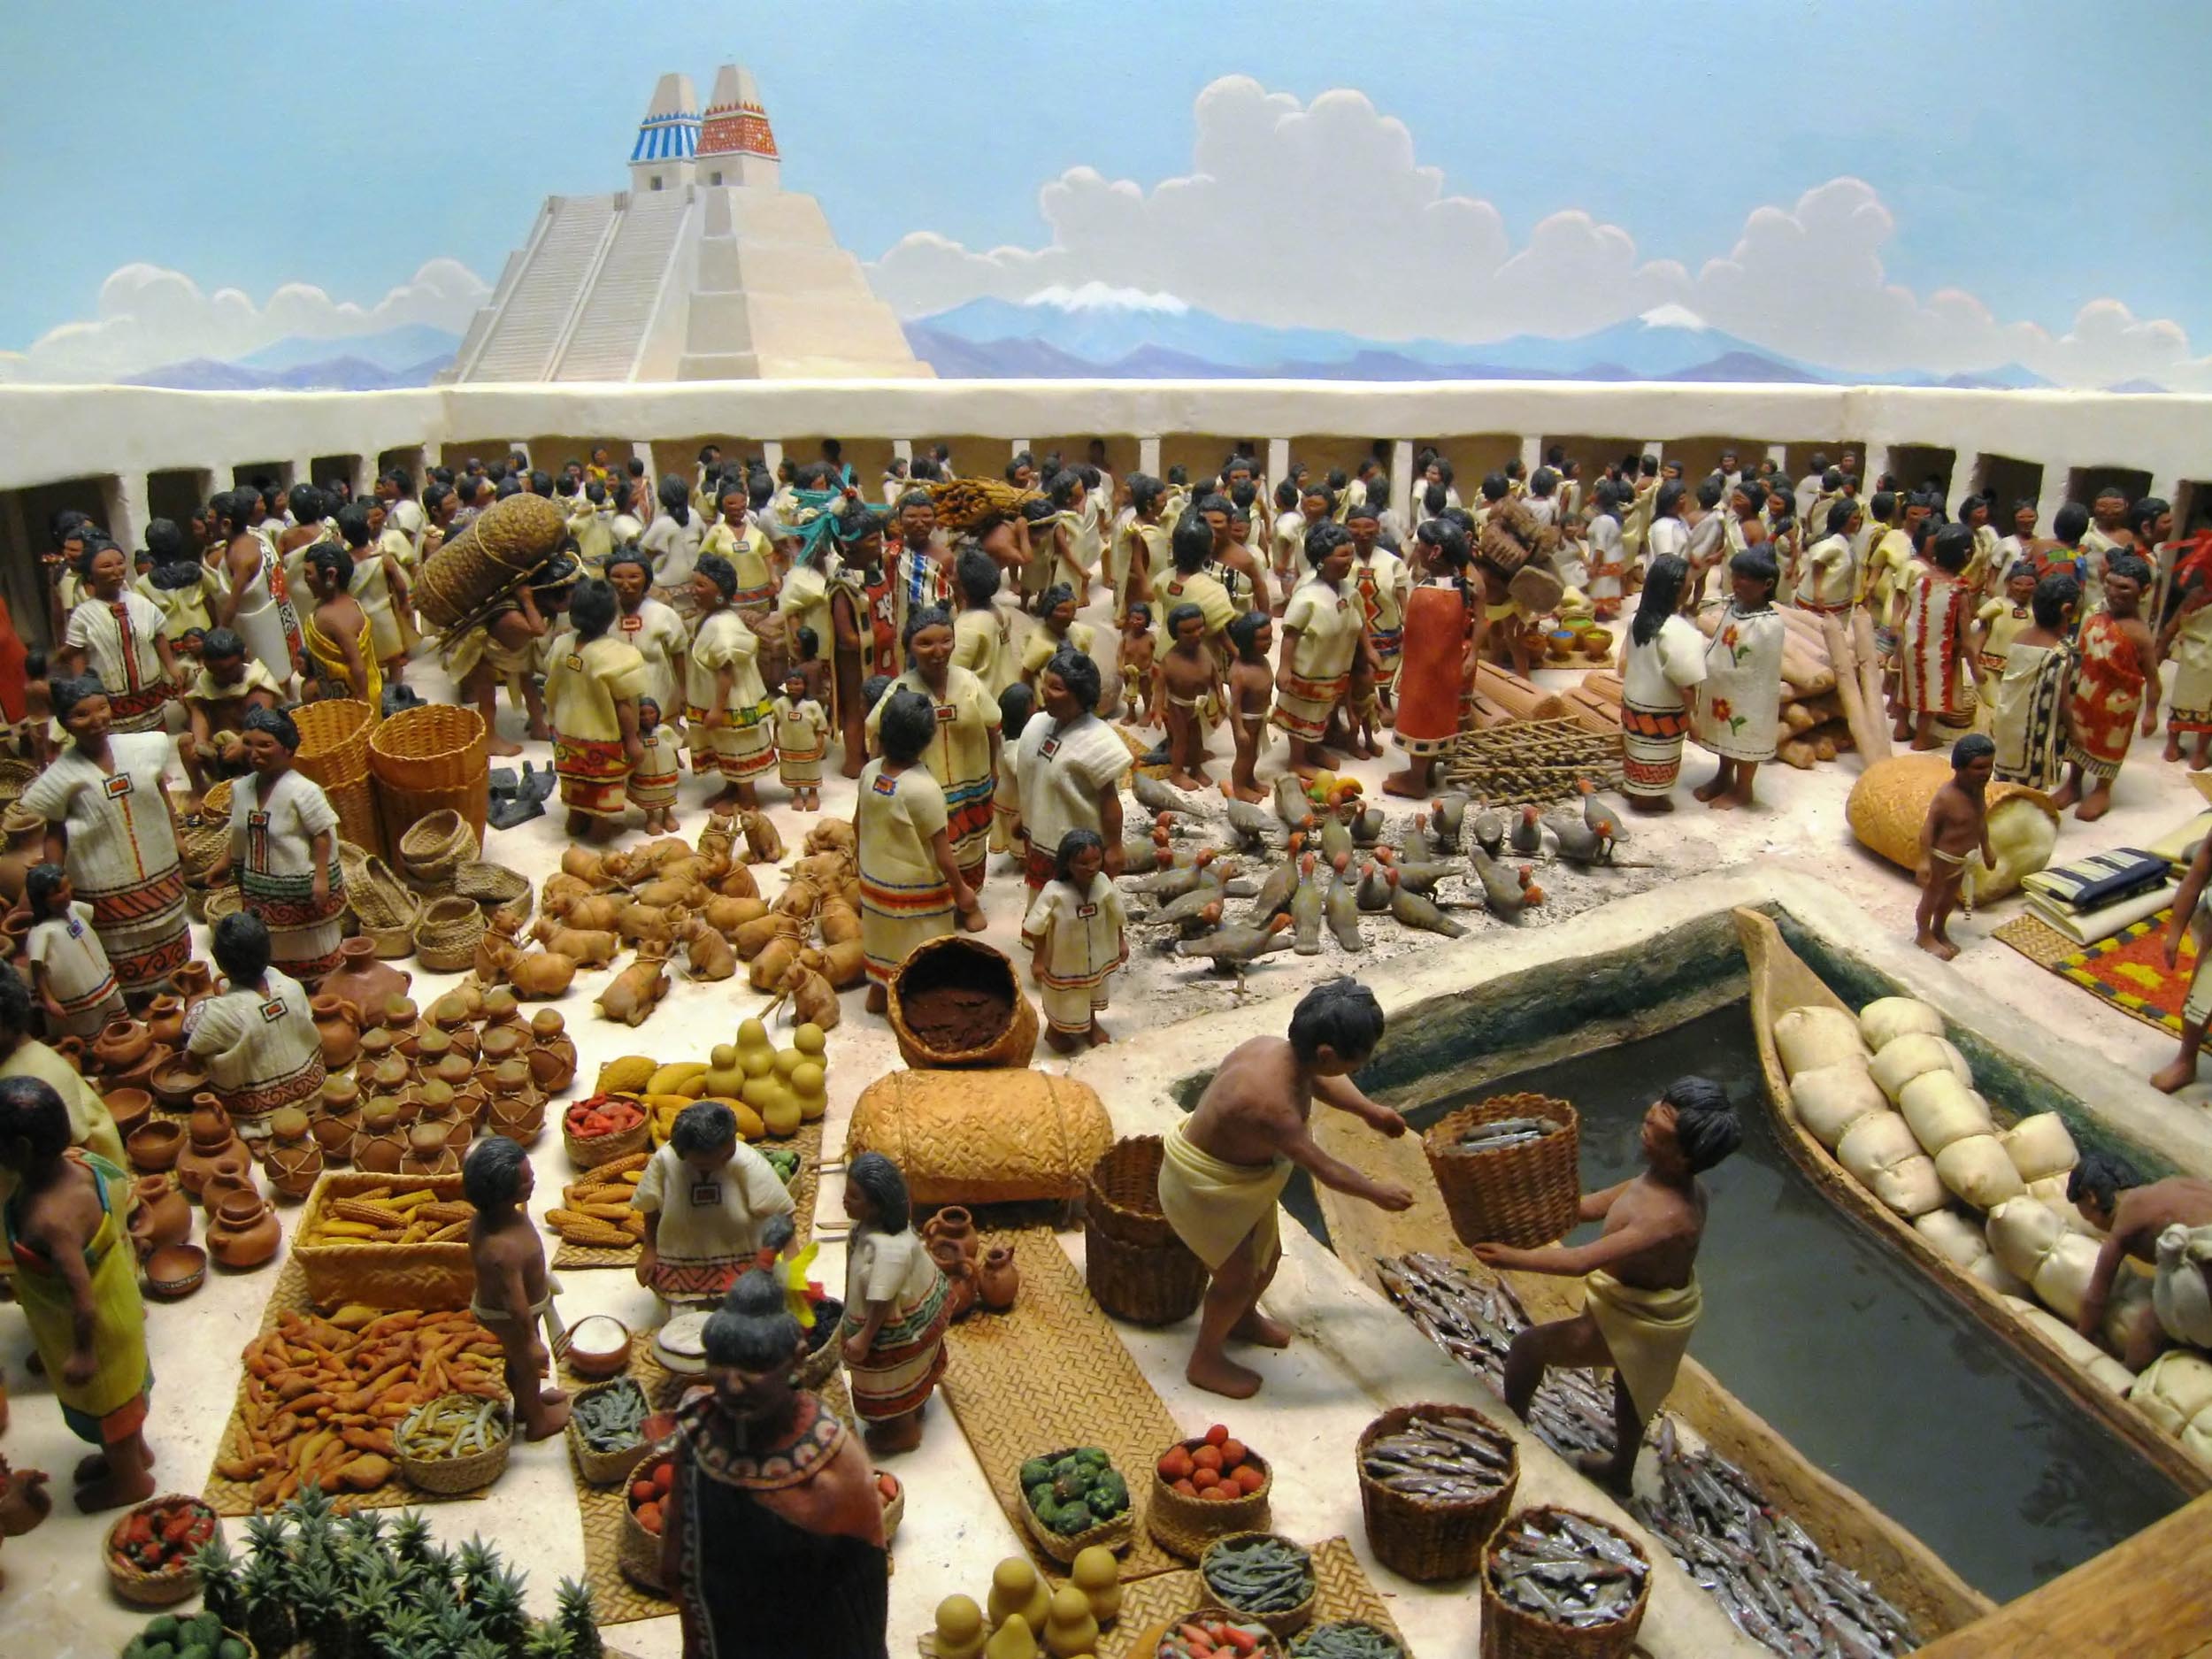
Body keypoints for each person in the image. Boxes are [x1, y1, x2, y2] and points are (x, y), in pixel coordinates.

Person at [1478, 1078, 1741, 1494]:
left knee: (1530, 1347)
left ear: (1683, 1155)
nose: (1652, 1111)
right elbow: (1584, 1208)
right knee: (1629, 1389)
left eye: (1666, 1117)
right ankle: (1620, 1470)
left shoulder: (1668, 1216)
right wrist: (1528, 1199)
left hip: (1640, 1321)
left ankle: (1513, 1427)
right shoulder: (1653, 1179)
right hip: (1624, 1303)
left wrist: (1510, 1257)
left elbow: (1579, 1261)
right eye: (1662, 1103)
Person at [1162, 979, 1411, 1398]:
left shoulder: (1278, 1050)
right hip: (1205, 1187)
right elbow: (1323, 1168)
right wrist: (1375, 1192)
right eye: (1354, 1064)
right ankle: (1204, 1360)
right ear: (1328, 1054)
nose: (1353, 1073)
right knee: (1237, 1279)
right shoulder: (1270, 1105)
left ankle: (1240, 1321)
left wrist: (1369, 1110)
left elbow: (1317, 1079)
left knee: (1268, 1257)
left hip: (1242, 1182)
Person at [664, 1267, 890, 1659]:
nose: (733, 1384)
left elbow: (861, 1582)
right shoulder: (698, 1431)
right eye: (721, 1362)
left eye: (754, 1366)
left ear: (797, 1361)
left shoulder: (832, 1461)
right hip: (724, 1629)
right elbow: (680, 1540)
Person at [0, 1076, 153, 1511]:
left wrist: (83, 1353)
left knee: (109, 1408)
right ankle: (137, 1456)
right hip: (119, 1306)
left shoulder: (51, 1218)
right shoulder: (83, 1162)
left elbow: (82, 1299)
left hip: (94, 1328)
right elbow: (124, 1189)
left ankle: (131, 1481)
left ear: (23, 1149)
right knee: (125, 1398)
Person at [23, 676, 189, 1000]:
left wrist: (177, 835)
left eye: (102, 708)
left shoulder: (142, 748)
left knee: (168, 926)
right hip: (102, 874)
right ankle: (137, 997)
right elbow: (54, 832)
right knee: (122, 942)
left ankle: (180, 979)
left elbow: (161, 793)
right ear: (65, 724)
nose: (97, 720)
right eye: (81, 715)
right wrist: (52, 882)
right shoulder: (60, 777)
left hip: (158, 859)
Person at [857, 689, 985, 1013]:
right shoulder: (923, 789)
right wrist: (961, 891)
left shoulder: (869, 773)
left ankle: (877, 990)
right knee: (918, 946)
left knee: (880, 937)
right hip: (913, 889)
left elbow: (857, 824)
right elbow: (943, 855)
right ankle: (908, 998)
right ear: (929, 738)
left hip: (874, 881)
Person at [204, 707, 347, 983]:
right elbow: (239, 832)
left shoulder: (304, 791)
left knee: (307, 939)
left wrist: (320, 878)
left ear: (288, 749)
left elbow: (322, 833)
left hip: (299, 886)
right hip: (258, 886)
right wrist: (224, 862)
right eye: (247, 743)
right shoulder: (240, 789)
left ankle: (317, 982)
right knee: (269, 938)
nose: (254, 752)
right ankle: (279, 979)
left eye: (265, 745)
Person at [863, 605, 1001, 893]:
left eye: (946, 640)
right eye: (925, 643)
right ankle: (939, 898)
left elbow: (992, 725)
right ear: (909, 646)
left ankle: (970, 893)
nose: (938, 651)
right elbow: (877, 730)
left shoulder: (969, 682)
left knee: (973, 845)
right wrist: (875, 773)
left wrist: (994, 767)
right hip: (924, 789)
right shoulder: (901, 688)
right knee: (930, 847)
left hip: (972, 780)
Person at [837, 1150, 952, 1455]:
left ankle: (902, 1431)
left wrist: (864, 1338)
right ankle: (912, 1408)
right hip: (911, 1314)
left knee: (889, 1378)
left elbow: (882, 1298)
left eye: (854, 1197)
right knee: (910, 1378)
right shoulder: (868, 1231)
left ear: (876, 1205)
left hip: (892, 1329)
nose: (844, 1201)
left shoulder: (888, 1248)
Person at [634, 1100, 795, 1308]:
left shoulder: (746, 1162)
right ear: (682, 1153)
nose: (719, 1165)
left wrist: (792, 1258)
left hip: (741, 1252)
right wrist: (650, 1248)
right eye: (703, 1163)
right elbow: (651, 1204)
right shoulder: (665, 1161)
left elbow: (782, 1213)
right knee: (682, 1321)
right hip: (680, 1253)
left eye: (727, 1156)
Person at [462, 1136, 572, 1440]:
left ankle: (528, 1403)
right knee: (525, 1366)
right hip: (510, 1317)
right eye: (526, 1180)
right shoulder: (503, 1248)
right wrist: (531, 1340)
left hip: (514, 1310)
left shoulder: (495, 1220)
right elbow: (514, 1300)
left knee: (516, 1360)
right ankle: (537, 1421)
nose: (534, 1180)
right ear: (501, 1193)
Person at [182, 912, 324, 1141]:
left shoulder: (220, 1013)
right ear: (269, 952)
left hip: (260, 1110)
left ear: (218, 960)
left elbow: (190, 1061)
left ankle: (260, 1131)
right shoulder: (289, 986)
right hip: (312, 1091)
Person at [2069, 1155, 2212, 1359]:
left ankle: (2125, 1384)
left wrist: (2081, 1340)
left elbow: (2096, 1297)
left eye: (2090, 1219)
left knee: (2149, 1328)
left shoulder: (2129, 1213)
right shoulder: (2172, 1187)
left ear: (2091, 1197)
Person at [2051, 553, 2158, 822]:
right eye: (2110, 583)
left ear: (2143, 591)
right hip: (2083, 693)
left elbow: (2154, 679)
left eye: (2124, 587)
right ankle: (2074, 782)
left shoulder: (2139, 634)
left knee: (2107, 748)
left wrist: (2152, 713)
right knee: (2077, 739)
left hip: (2116, 706)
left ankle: (2102, 789)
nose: (2113, 591)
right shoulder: (2094, 612)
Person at [1013, 649, 1126, 895]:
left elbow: (1109, 799)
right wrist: (1025, 814)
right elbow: (1034, 775)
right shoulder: (1036, 725)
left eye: (1056, 688)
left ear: (1080, 695)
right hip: (1040, 836)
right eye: (1045, 684)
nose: (1044, 692)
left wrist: (1115, 846)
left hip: (1078, 850)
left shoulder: (1099, 741)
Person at [544, 578, 649, 839]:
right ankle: (600, 828)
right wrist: (633, 739)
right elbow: (623, 704)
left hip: (567, 731)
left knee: (575, 780)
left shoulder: (561, 645)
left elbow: (551, 681)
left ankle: (576, 819)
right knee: (603, 785)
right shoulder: (617, 655)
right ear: (610, 615)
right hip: (601, 734)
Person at [1384, 519, 1478, 800]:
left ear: (1435, 552)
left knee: (1421, 726)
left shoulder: (1428, 595)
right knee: (1436, 723)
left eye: (1420, 546)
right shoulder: (1458, 588)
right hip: (1445, 670)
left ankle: (1415, 780)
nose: (1417, 550)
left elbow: (1416, 637)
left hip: (1426, 673)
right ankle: (1424, 773)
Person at [1694, 547, 1786, 810]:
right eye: (1735, 575)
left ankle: (1744, 789)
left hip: (1750, 697)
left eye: (1745, 578)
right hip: (1724, 690)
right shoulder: (1734, 608)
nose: (1736, 582)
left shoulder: (1770, 624)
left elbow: (1762, 670)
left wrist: (1735, 677)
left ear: (1767, 584)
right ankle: (1723, 776)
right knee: (1725, 735)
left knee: (1744, 737)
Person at [1273, 523, 1368, 780]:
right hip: (1308, 669)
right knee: (1302, 713)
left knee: (1322, 712)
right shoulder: (1307, 596)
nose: (1349, 561)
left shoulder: (1351, 592)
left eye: (1351, 554)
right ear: (1321, 560)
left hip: (1336, 667)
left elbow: (1361, 624)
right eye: (1342, 555)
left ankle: (1313, 749)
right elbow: (1290, 633)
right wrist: (1284, 667)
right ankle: (1297, 758)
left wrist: (1369, 650)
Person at [1021, 829, 1129, 1052]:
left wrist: (1120, 941)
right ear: (1067, 863)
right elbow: (1038, 927)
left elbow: (1116, 914)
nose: (1091, 867)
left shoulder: (1103, 884)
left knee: (1092, 990)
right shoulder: (1054, 893)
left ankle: (1090, 1024)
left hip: (1097, 955)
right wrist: (1038, 960)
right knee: (1063, 996)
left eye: (1096, 860)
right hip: (1064, 959)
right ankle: (1055, 1029)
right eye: (1082, 863)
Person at [687, 553, 777, 814]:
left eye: (701, 586)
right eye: (694, 584)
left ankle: (748, 796)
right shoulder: (708, 619)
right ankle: (731, 786)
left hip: (731, 700)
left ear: (720, 593)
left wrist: (717, 708)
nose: (694, 591)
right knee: (723, 745)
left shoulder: (724, 626)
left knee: (737, 744)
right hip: (714, 698)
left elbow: (726, 670)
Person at [1618, 554, 1709, 813]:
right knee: (1658, 754)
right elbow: (1686, 684)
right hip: (1662, 708)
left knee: (1636, 748)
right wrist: (1692, 717)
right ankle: (1648, 798)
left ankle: (1634, 787)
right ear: (1679, 591)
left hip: (1634, 701)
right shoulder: (1679, 632)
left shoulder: (1638, 620)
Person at [61, 541, 180, 735]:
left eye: (120, 563)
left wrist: (173, 667)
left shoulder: (142, 604)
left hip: (149, 698)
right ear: (90, 573)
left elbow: (159, 636)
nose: (116, 571)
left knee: (154, 745)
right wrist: (82, 689)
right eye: (106, 566)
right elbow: (77, 654)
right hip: (110, 701)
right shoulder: (83, 615)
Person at [176, 626, 282, 809]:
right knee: (186, 742)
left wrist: (243, 742)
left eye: (228, 670)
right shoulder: (206, 680)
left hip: (251, 743)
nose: (221, 677)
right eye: (215, 671)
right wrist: (201, 741)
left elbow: (261, 720)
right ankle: (199, 789)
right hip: (219, 747)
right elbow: (198, 711)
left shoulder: (257, 681)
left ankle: (261, 788)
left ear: (244, 657)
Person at [1988, 574, 2078, 789]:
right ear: (2067, 610)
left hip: (2007, 720)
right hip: (2035, 730)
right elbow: (2064, 702)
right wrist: (2075, 732)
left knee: (2005, 774)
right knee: (2030, 782)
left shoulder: (2019, 637)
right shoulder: (2061, 653)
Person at [1896, 523, 1978, 749]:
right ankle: (1922, 738)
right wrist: (1976, 670)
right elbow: (1968, 640)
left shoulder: (1921, 579)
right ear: (1966, 554)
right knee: (1930, 697)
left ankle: (1901, 726)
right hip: (1939, 653)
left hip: (1912, 644)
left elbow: (1906, 614)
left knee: (1907, 686)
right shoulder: (1958, 591)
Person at [1914, 734, 1995, 961]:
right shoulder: (1945, 798)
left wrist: (1987, 848)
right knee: (1931, 898)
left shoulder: (1977, 792)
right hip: (1942, 859)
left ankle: (1939, 929)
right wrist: (1923, 860)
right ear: (1959, 768)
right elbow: (1928, 828)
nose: (1986, 773)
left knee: (1949, 899)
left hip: (1962, 861)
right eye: (1979, 767)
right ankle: (1923, 933)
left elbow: (1980, 820)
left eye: (1990, 766)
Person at [24, 864, 124, 1041]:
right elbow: (36, 968)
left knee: (110, 1018)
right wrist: (49, 1000)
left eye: (67, 886)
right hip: (71, 991)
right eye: (58, 892)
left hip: (98, 979)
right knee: (83, 1027)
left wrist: (105, 964)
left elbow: (91, 938)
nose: (67, 893)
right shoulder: (42, 932)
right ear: (42, 899)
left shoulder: (76, 910)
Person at [606, 551, 692, 752]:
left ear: (646, 579)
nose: (625, 583)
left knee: (661, 742)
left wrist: (683, 691)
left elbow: (678, 654)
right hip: (618, 691)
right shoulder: (604, 613)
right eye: (617, 576)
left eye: (633, 577)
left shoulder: (664, 615)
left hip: (658, 688)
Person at [296, 542, 379, 708]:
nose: (305, 580)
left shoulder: (332, 619)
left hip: (351, 699)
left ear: (330, 576)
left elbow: (357, 665)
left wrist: (363, 700)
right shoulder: (335, 606)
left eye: (308, 574)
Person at [1157, 603, 1225, 794]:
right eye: (1188, 631)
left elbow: (1216, 677)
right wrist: (1156, 712)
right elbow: (1160, 689)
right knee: (1181, 739)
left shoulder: (1204, 651)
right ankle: (1177, 772)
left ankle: (1196, 768)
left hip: (1198, 705)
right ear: (1175, 633)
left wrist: (1220, 697)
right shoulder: (1169, 660)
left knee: (1197, 738)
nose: (1196, 634)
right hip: (1178, 707)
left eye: (1199, 627)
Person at [2161, 538, 2212, 770]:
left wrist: (2161, 648)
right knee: (2207, 706)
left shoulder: (2194, 595)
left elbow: (2172, 626)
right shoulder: (2195, 595)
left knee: (2182, 699)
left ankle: (2172, 746)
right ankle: (2199, 754)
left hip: (2190, 658)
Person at [1224, 611, 1278, 806]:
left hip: (1259, 718)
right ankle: (1239, 786)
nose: (1269, 642)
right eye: (1262, 639)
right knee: (1244, 756)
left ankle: (1249, 780)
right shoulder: (1239, 673)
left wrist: (1270, 707)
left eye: (1270, 637)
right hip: (1245, 721)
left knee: (1254, 754)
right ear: (1247, 641)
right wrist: (1239, 730)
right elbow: (1234, 706)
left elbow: (1267, 687)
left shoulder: (1262, 662)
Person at [1971, 560, 2040, 707]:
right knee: (1994, 704)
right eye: (2018, 584)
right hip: (1991, 668)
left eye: (2029, 585)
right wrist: (1975, 665)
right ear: (2008, 583)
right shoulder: (1998, 605)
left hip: (2023, 670)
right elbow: (1981, 634)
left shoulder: (2037, 611)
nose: (2023, 589)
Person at [949, 548, 1013, 696]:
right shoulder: (1003, 612)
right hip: (1007, 690)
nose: (951, 579)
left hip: (985, 701)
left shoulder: (966, 627)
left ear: (964, 588)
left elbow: (954, 674)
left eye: (955, 575)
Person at [641, 474, 704, 620]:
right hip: (694, 578)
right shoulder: (694, 515)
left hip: (667, 583)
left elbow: (645, 550)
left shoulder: (663, 523)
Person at [772, 668, 830, 812]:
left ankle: (813, 794)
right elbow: (776, 722)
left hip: (809, 746)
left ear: (805, 685)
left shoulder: (812, 705)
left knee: (811, 769)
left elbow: (820, 727)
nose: (793, 687)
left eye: (797, 684)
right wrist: (775, 738)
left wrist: (820, 741)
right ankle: (797, 794)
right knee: (792, 769)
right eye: (790, 684)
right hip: (789, 745)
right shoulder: (780, 704)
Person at [629, 697, 682, 835]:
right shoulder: (636, 735)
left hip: (666, 769)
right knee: (647, 794)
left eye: (651, 713)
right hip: (644, 771)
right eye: (642, 714)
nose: (647, 717)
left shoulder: (665, 730)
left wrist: (679, 760)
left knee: (667, 791)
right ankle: (651, 818)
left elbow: (674, 745)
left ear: (658, 713)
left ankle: (667, 814)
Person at [1117, 603, 1157, 727]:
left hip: (1145, 673)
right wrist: (1120, 666)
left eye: (1139, 619)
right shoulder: (1126, 637)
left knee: (1146, 693)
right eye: (1132, 618)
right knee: (1130, 694)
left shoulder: (1150, 638)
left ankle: (1146, 711)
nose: (1135, 622)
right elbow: (1120, 654)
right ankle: (1131, 713)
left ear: (1147, 621)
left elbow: (1157, 655)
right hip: (1128, 672)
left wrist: (1153, 669)